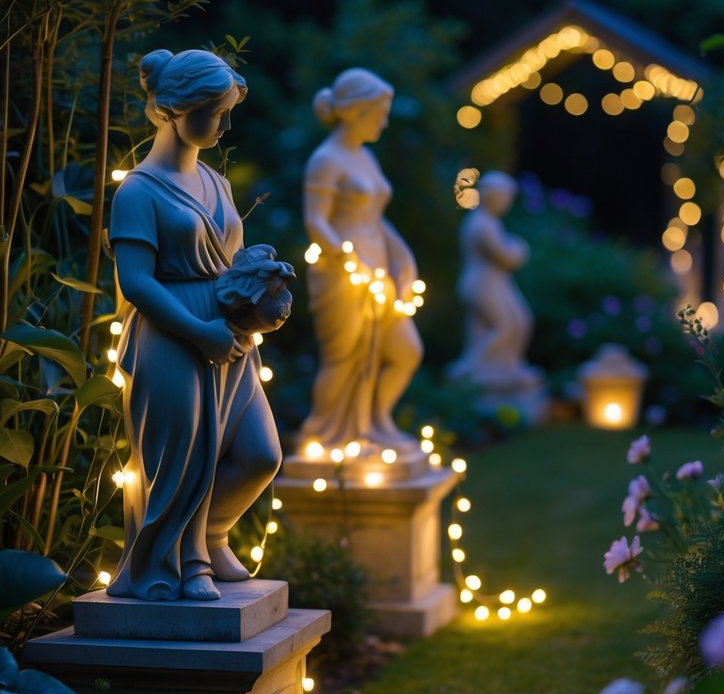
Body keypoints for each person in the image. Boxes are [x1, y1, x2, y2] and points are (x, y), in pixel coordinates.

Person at [106, 49, 282, 601]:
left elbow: (227, 262)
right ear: (174, 110)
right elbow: (136, 282)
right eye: (216, 111)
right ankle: (172, 566)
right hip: (171, 335)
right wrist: (197, 330)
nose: (226, 124)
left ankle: (211, 535)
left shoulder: (216, 182)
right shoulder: (138, 190)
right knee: (178, 459)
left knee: (260, 455)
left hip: (229, 336)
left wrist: (257, 286)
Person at [299, 68, 423, 451]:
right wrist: (349, 260)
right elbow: (315, 220)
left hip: (379, 266)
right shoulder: (326, 159)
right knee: (346, 357)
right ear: (356, 111)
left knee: (405, 352)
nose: (384, 122)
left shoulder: (365, 157)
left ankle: (374, 422)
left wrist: (404, 258)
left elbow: (376, 217)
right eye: (379, 113)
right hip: (343, 273)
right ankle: (319, 433)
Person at [448, 171, 539, 390]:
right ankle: (469, 367)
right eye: (505, 197)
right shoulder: (481, 225)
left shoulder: (489, 222)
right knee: (504, 326)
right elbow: (505, 256)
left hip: (496, 283)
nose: (507, 203)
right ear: (492, 196)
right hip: (481, 284)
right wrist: (520, 249)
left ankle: (506, 365)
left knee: (521, 320)